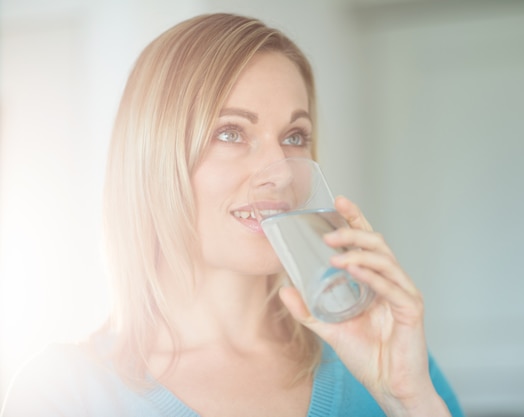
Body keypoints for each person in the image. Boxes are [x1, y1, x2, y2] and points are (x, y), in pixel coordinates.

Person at [0, 13, 464, 417]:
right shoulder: (64, 394)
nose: (280, 173)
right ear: (153, 157)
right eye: (230, 133)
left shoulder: (384, 361)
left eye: (295, 137)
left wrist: (408, 402)